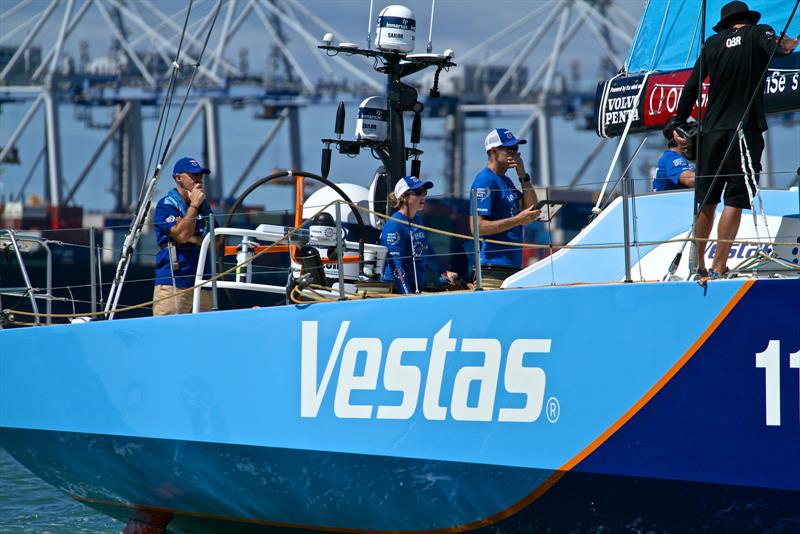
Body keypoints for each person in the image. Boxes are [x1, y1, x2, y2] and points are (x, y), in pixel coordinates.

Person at [672, 1, 798, 278]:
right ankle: (719, 266)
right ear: (748, 20)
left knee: (706, 200)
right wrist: (790, 45)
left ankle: (699, 266)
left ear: (726, 23)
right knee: (735, 199)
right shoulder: (758, 32)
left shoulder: (712, 44)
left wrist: (677, 123)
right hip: (744, 130)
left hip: (711, 132)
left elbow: (692, 86)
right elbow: (779, 50)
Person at [469, 128, 540, 288]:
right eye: (510, 149)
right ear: (494, 151)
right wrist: (517, 220)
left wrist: (523, 175)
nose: (515, 154)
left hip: (513, 266)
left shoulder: (506, 181)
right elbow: (477, 227)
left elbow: (531, 207)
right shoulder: (485, 181)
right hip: (493, 268)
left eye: (516, 149)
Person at [152, 157, 215, 315]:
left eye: (200, 175)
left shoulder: (204, 207)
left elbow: (217, 241)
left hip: (203, 284)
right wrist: (193, 206)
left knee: (205, 336)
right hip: (173, 283)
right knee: (169, 334)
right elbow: (182, 236)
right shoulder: (166, 205)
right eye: (193, 175)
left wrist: (192, 235)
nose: (198, 179)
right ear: (178, 178)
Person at [381, 175, 458, 294]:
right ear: (403, 197)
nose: (423, 197)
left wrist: (443, 272)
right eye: (417, 193)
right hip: (395, 288)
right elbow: (396, 265)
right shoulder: (395, 224)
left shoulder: (418, 220)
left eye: (424, 192)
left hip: (414, 285)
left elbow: (426, 249)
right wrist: (407, 294)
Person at [653, 121, 696, 191]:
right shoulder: (672, 157)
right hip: (668, 201)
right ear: (680, 137)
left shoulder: (677, 157)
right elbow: (690, 180)